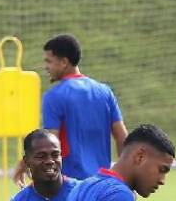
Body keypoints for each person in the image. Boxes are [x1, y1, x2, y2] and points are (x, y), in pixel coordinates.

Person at [41, 34, 128, 180]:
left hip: (71, 187)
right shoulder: (105, 92)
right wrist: (125, 177)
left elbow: (51, 146)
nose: (46, 67)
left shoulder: (54, 96)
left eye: (49, 61)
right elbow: (122, 137)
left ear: (63, 62)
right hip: (102, 185)